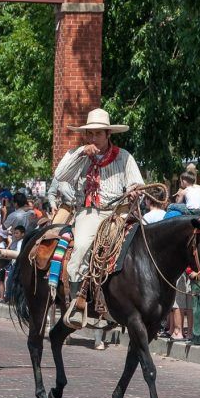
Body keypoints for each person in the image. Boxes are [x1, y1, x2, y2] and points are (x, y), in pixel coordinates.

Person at [50, 108, 144, 329]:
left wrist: (133, 190)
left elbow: (136, 183)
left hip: (118, 211)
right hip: (89, 212)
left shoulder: (124, 156)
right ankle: (76, 302)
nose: (93, 138)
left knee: (140, 245)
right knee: (81, 247)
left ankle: (127, 299)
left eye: (98, 134)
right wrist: (82, 151)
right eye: (89, 134)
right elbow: (60, 175)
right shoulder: (78, 156)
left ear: (108, 134)